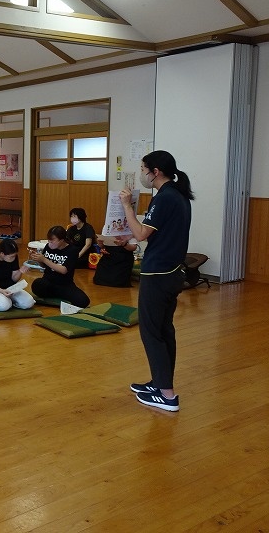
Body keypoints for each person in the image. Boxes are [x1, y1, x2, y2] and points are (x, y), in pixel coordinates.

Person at [120, 150, 193, 412]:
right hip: (172, 272)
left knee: (152, 332)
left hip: (158, 275)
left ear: (155, 172)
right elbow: (154, 235)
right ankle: (160, 383)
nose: (142, 174)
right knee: (163, 330)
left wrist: (127, 206)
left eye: (143, 169)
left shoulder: (164, 198)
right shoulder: (178, 195)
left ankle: (167, 395)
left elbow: (141, 234)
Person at [29, 225, 90, 308]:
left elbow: (64, 270)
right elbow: (43, 266)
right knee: (37, 284)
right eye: (49, 241)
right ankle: (56, 294)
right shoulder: (48, 246)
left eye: (52, 241)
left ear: (62, 240)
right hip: (48, 281)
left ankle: (57, 294)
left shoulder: (72, 250)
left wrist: (44, 259)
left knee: (83, 301)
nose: (50, 244)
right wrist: (38, 259)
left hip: (64, 284)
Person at [0, 239, 35, 310]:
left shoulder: (13, 257)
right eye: (11, 256)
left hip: (9, 288)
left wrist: (20, 271)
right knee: (4, 305)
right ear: (2, 254)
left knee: (29, 302)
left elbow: (14, 279)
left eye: (15, 256)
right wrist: (2, 291)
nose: (14, 258)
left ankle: (8, 301)